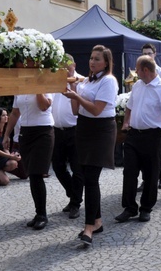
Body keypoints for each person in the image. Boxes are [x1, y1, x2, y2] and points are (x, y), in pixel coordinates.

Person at [63, 45, 118, 248]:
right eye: (91, 58)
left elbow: (96, 110)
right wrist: (74, 92)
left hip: (101, 130)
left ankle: (88, 228)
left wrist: (76, 96)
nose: (92, 62)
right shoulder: (85, 81)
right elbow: (77, 111)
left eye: (97, 59)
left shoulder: (109, 81)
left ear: (106, 63)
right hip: (84, 129)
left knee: (91, 179)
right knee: (86, 176)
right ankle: (97, 221)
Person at [115, 55, 161, 223]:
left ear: (145, 70)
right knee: (129, 172)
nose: (135, 72)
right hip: (134, 135)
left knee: (151, 175)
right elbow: (129, 107)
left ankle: (146, 208)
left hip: (153, 136)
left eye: (137, 69)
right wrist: (126, 122)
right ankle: (129, 207)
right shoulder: (137, 85)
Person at [4, 92, 54, 230]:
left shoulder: (45, 85)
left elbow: (44, 106)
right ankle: (39, 213)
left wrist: (37, 89)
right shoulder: (20, 87)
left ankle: (42, 214)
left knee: (37, 173)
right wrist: (7, 134)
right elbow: (15, 113)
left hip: (43, 131)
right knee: (31, 174)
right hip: (25, 132)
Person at [51, 56, 85, 220]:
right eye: (61, 66)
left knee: (77, 168)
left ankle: (75, 203)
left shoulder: (81, 81)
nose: (64, 69)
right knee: (57, 166)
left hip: (75, 130)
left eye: (67, 66)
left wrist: (73, 83)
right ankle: (73, 194)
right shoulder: (56, 82)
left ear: (74, 65)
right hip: (58, 130)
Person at [139, 43, 161, 189]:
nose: (147, 55)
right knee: (144, 153)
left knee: (157, 152)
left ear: (155, 54)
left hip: (156, 117)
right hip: (144, 114)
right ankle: (146, 179)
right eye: (145, 53)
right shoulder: (138, 72)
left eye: (149, 53)